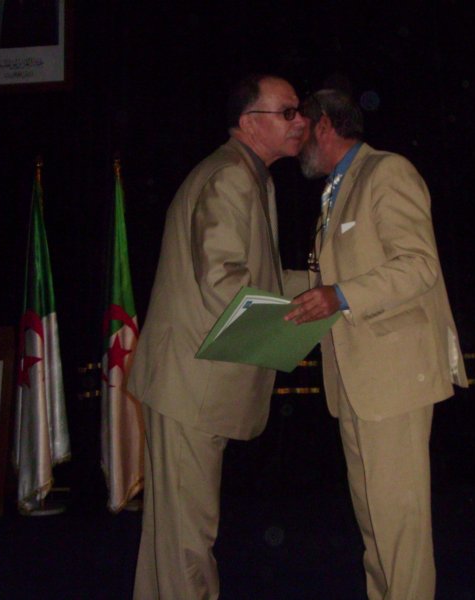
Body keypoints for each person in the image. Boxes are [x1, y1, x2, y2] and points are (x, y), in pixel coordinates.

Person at [127, 74, 308, 599]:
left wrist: (330, 289)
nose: (301, 121)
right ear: (250, 122)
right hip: (191, 383)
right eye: (288, 112)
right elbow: (223, 282)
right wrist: (284, 331)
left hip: (189, 380)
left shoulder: (245, 174)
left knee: (172, 536)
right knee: (187, 539)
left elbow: (259, 279)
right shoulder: (231, 177)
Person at [286, 89, 468, 599]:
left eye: (302, 129)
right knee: (374, 522)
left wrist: (340, 295)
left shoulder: (387, 171)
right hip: (355, 379)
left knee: (398, 524)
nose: (297, 141)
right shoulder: (336, 190)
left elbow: (419, 265)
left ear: (325, 125)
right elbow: (333, 280)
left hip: (393, 375)